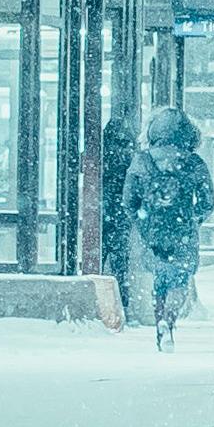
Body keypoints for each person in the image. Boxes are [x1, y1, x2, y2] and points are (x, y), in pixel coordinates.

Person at [122, 109, 213, 350]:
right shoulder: (194, 162)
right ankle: (169, 322)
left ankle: (160, 321)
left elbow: (129, 200)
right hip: (183, 230)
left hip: (153, 231)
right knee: (180, 280)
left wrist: (143, 222)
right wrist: (193, 220)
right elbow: (207, 201)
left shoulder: (142, 160)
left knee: (160, 280)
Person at [100, 112, 144, 319]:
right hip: (121, 214)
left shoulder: (100, 153)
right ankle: (123, 305)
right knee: (120, 264)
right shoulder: (131, 156)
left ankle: (99, 302)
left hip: (101, 211)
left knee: (99, 258)